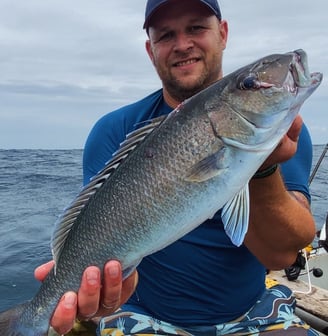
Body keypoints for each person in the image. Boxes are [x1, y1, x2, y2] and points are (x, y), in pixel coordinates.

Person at [35, 0, 318, 335]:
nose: (183, 44)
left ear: (223, 33)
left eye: (196, 28)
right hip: (142, 314)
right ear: (150, 49)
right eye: (166, 35)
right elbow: (98, 232)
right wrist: (110, 289)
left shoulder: (285, 132)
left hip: (254, 312)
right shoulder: (112, 130)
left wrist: (262, 170)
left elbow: (281, 256)